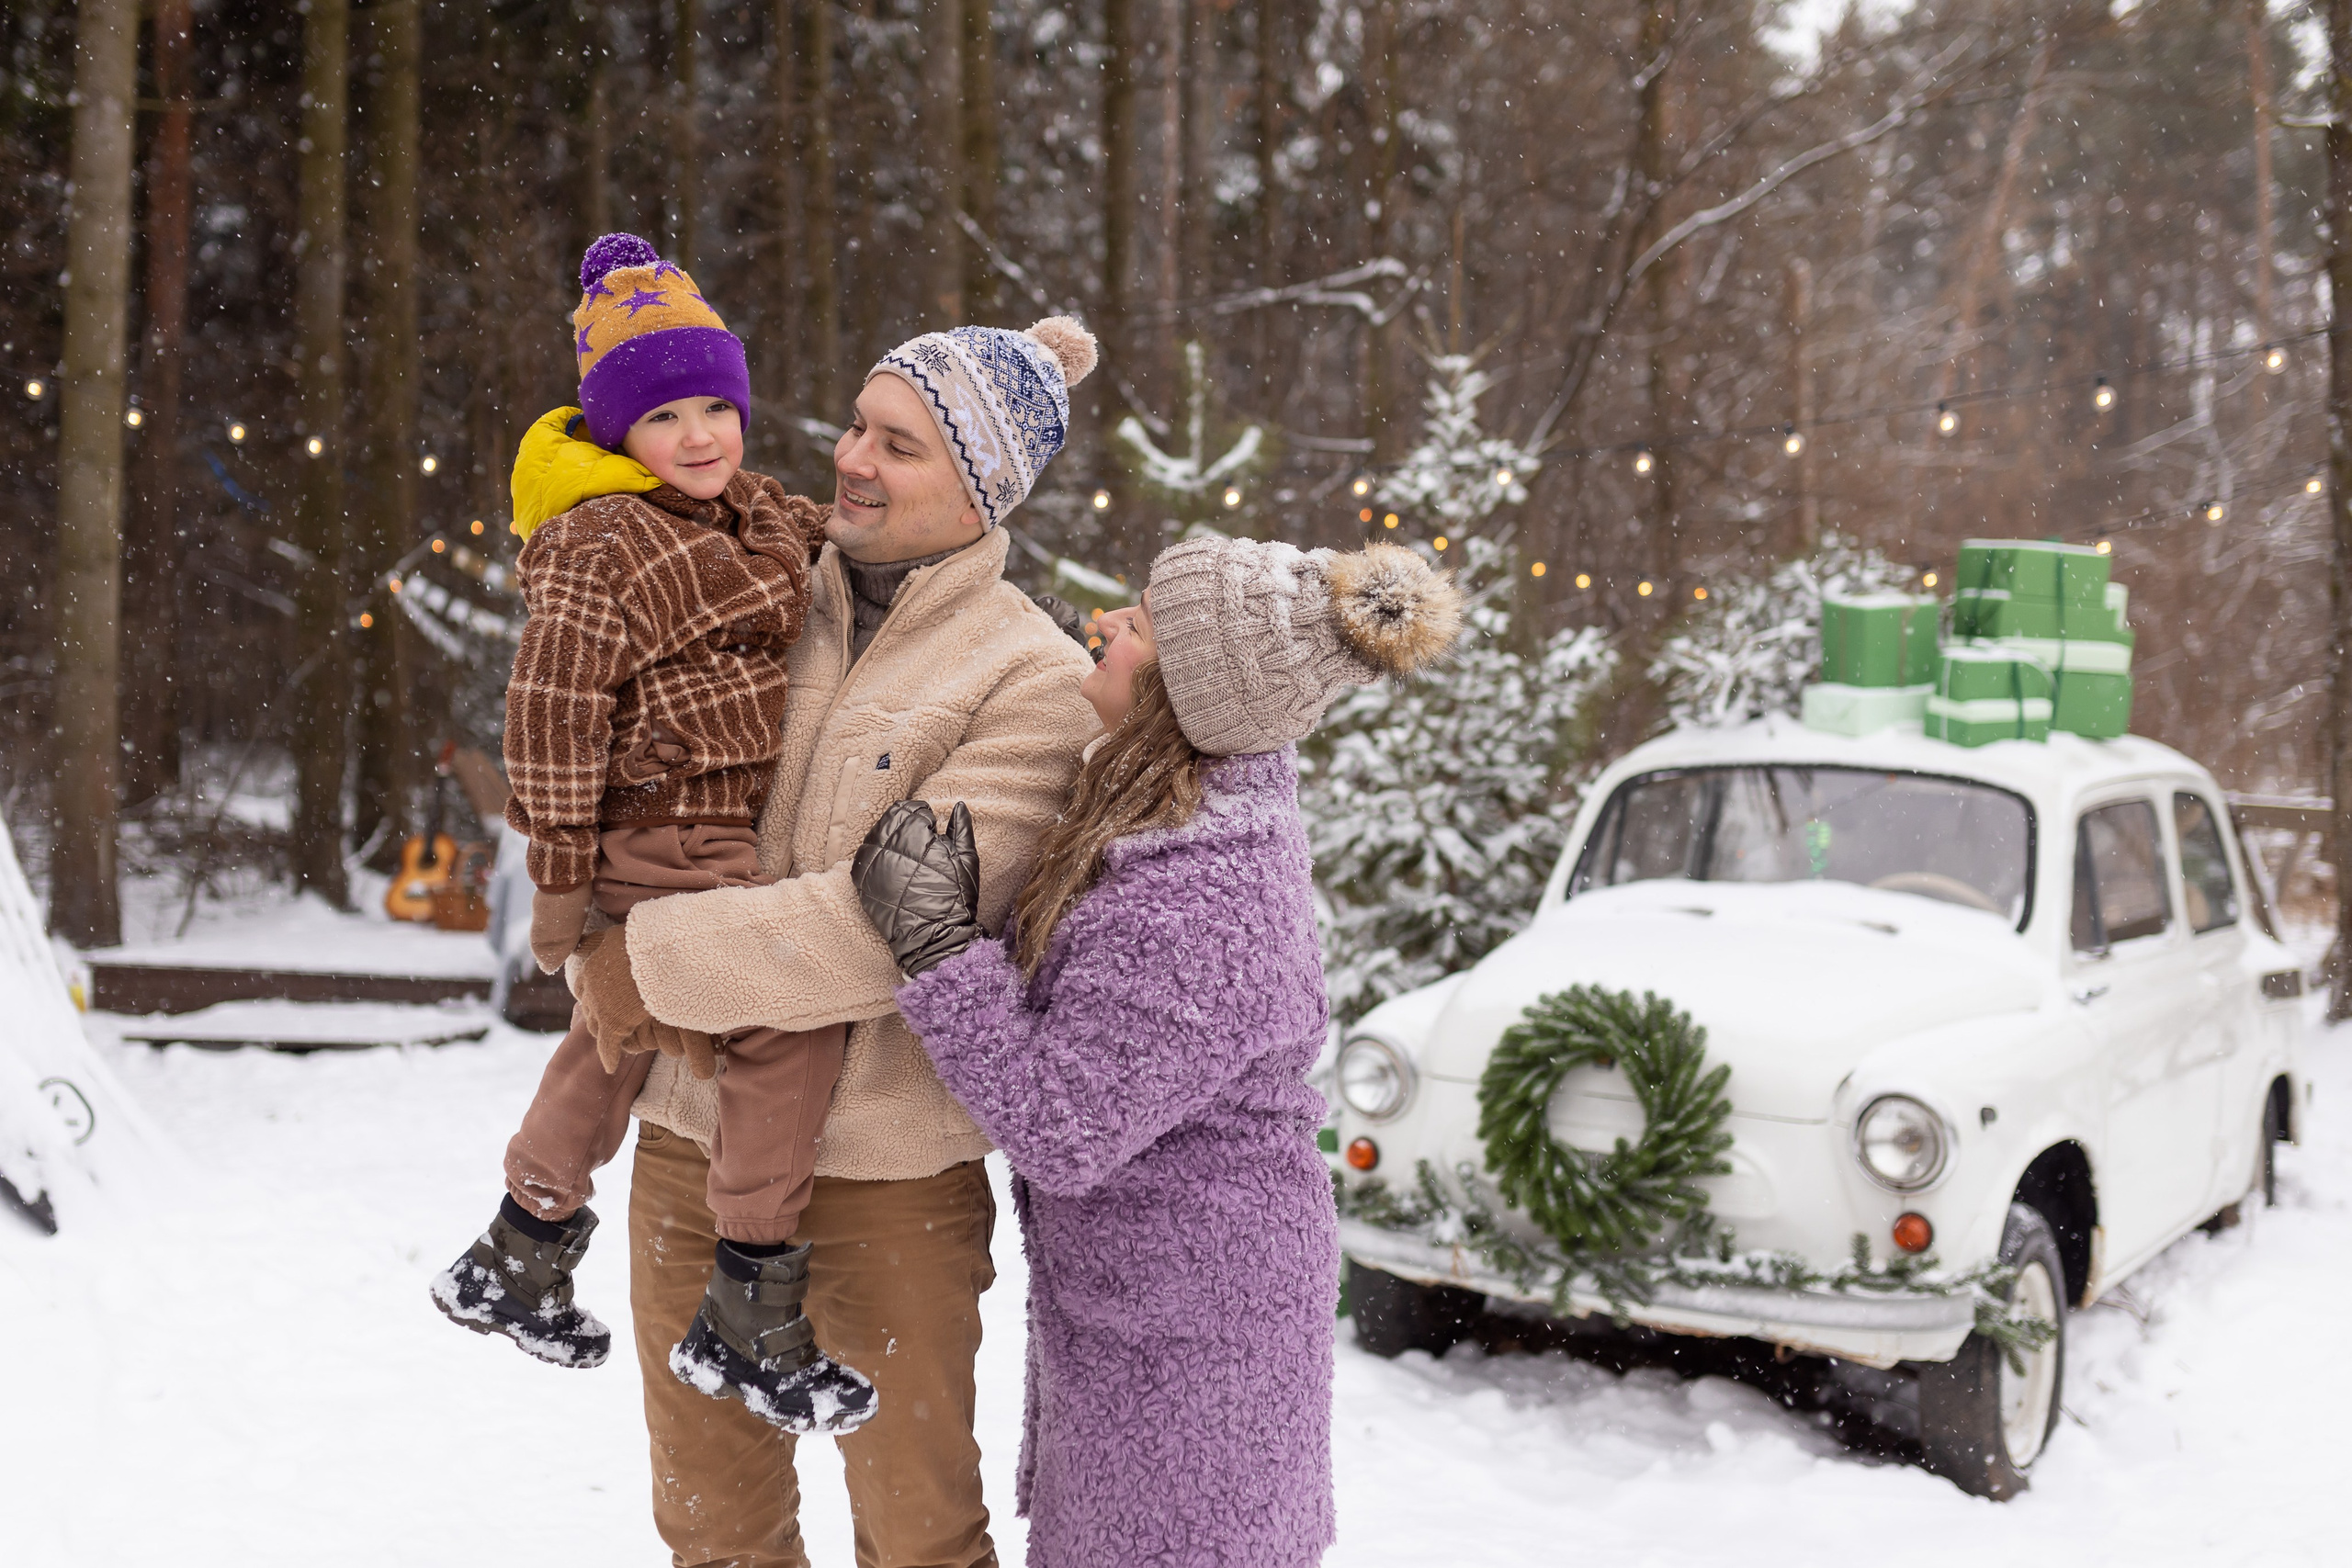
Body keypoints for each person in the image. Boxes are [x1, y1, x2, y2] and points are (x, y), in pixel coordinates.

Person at [575, 317, 1102, 1565]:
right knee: (713, 1527)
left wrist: (640, 961)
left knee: (917, 1531)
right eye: (857, 424)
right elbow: (608, 771)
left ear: (979, 486)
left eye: (899, 444)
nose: (852, 459)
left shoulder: (1033, 677)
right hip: (690, 1135)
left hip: (889, 1174)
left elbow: (884, 928)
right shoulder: (742, 581)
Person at [852, 536, 1463, 1566]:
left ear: (1186, 697)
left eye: (1136, 625)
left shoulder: (1204, 894)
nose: (1105, 625)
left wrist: (938, 949)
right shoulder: (1177, 810)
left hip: (1195, 1338)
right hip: (1166, 1300)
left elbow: (1062, 1125)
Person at [429, 231, 879, 1433]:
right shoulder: (601, 539)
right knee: (792, 1009)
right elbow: (551, 710)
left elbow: (819, 532)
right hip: (665, 828)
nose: (697, 434)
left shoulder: (741, 508)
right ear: (616, 430)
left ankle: (519, 1246)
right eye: (664, 413)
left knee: (621, 1025)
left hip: (709, 827)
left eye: (713, 405)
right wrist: (563, 880)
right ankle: (749, 1296)